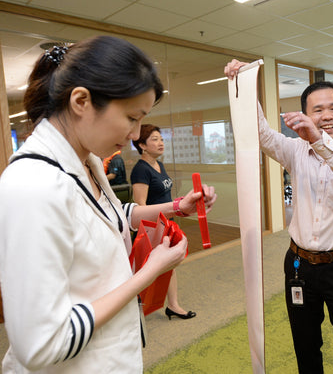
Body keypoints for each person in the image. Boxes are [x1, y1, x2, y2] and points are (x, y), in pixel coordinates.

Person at [0, 36, 216, 373]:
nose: (136, 134)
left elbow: (114, 215)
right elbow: (41, 344)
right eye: (132, 117)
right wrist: (148, 273)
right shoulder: (33, 185)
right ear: (81, 101)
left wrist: (177, 207)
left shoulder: (84, 161)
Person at [225, 60, 333, 374]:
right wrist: (245, 84)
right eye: (318, 109)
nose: (326, 116)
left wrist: (319, 142)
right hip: (299, 266)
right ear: (306, 115)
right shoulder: (295, 150)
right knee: (305, 345)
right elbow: (263, 136)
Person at [130, 124, 197, 320]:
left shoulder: (159, 165)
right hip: (154, 228)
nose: (161, 143)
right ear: (142, 145)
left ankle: (173, 305)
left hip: (168, 223)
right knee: (149, 269)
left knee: (169, 266)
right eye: (155, 139)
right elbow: (140, 205)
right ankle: (137, 309)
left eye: (161, 139)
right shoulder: (140, 170)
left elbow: (164, 195)